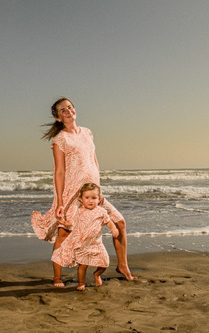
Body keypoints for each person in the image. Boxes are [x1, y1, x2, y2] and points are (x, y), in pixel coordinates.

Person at [31, 97, 136, 287]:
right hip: (73, 194)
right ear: (58, 117)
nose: (68, 111)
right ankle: (57, 277)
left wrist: (99, 189)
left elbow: (94, 162)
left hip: (93, 194)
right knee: (64, 233)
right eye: (63, 110)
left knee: (120, 223)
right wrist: (61, 202)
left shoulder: (87, 133)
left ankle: (123, 266)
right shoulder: (60, 139)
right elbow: (59, 172)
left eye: (70, 107)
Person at [52, 183, 119, 291]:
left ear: (99, 199)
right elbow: (72, 223)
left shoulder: (101, 212)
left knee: (105, 263)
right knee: (83, 266)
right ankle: (81, 283)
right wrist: (63, 222)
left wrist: (114, 228)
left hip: (96, 244)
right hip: (83, 244)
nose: (90, 200)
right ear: (81, 199)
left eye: (94, 198)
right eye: (87, 198)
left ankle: (97, 274)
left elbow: (109, 222)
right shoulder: (79, 211)